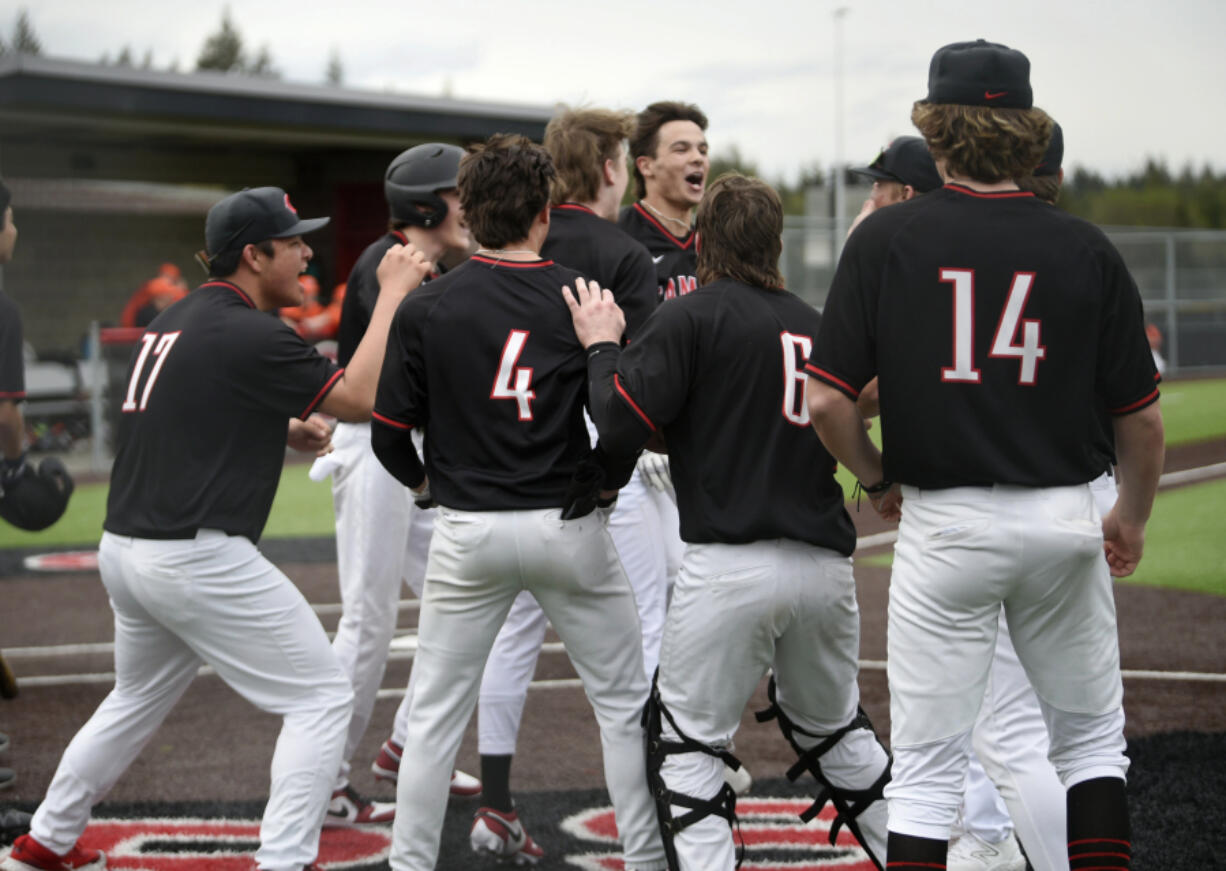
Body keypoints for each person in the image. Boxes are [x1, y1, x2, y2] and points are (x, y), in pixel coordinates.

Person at [805, 40, 1164, 871]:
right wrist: (1131, 520)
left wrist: (877, 476)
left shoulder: (887, 238)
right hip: (1063, 514)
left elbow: (826, 399)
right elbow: (1140, 424)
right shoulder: (1088, 250)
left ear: (935, 136)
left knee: (929, 775)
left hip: (947, 523)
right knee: (1089, 750)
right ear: (1029, 135)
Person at [1, 186, 431, 871]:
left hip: (128, 548)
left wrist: (279, 427)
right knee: (322, 697)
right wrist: (392, 295)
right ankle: (285, 860)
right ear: (255, 255)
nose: (306, 252)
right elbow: (359, 398)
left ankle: (42, 843)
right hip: (192, 555)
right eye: (292, 242)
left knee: (134, 697)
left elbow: (194, 406)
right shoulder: (248, 328)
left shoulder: (180, 315)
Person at [565, 173, 891, 871]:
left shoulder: (694, 314)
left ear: (704, 240)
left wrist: (600, 346)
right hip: (825, 566)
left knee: (685, 750)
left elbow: (621, 418)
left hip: (729, 563)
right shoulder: (813, 321)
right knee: (838, 736)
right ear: (777, 242)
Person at [372, 134, 665, 871]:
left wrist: (425, 488)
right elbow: (627, 420)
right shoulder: (582, 296)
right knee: (625, 707)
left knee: (434, 718)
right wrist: (603, 479)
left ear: (465, 212)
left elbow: (385, 437)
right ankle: (651, 859)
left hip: (468, 529)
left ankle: (410, 863)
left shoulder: (428, 305)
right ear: (544, 213)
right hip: (566, 525)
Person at [461, 106, 661, 862]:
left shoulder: (493, 253)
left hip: (502, 476)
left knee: (510, 637)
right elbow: (639, 384)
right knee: (642, 638)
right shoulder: (619, 249)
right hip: (599, 471)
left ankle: (495, 803)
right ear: (611, 167)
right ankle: (655, 812)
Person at [306, 143, 481, 828]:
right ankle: (325, 777)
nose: (470, 206)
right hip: (376, 451)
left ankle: (407, 740)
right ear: (427, 205)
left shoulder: (427, 263)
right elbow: (376, 387)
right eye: (460, 193)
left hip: (408, 452)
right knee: (369, 621)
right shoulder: (391, 268)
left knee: (479, 595)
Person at [118, 263, 188, 329]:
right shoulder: (153, 287)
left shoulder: (159, 286)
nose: (170, 299)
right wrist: (182, 290)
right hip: (132, 329)